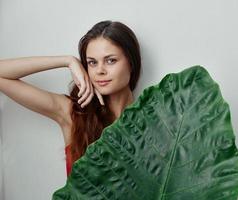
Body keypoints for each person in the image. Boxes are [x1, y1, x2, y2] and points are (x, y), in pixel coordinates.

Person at [0, 20, 142, 177]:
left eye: (110, 60)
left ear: (131, 63)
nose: (100, 70)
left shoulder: (152, 120)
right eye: (92, 63)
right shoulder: (74, 113)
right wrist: (68, 61)